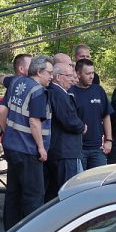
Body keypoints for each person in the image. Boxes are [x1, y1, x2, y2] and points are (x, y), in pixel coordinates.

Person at [0, 55, 53, 230]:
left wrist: (8, 132)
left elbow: (1, 110)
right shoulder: (38, 92)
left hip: (12, 146)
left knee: (13, 193)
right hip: (29, 150)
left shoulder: (16, 84)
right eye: (49, 73)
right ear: (38, 72)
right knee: (34, 195)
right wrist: (42, 148)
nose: (51, 76)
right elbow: (34, 122)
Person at [45, 61, 86, 202]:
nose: (73, 79)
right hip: (66, 151)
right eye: (69, 76)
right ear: (58, 77)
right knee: (69, 192)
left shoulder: (54, 92)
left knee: (54, 192)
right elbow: (69, 120)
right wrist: (82, 127)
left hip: (58, 150)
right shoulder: (58, 93)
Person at [70, 58, 112, 170]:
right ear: (78, 74)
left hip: (98, 148)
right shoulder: (71, 93)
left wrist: (109, 140)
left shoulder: (98, 90)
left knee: (99, 182)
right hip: (79, 148)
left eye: (93, 73)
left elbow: (106, 115)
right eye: (88, 73)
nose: (91, 76)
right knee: (80, 183)